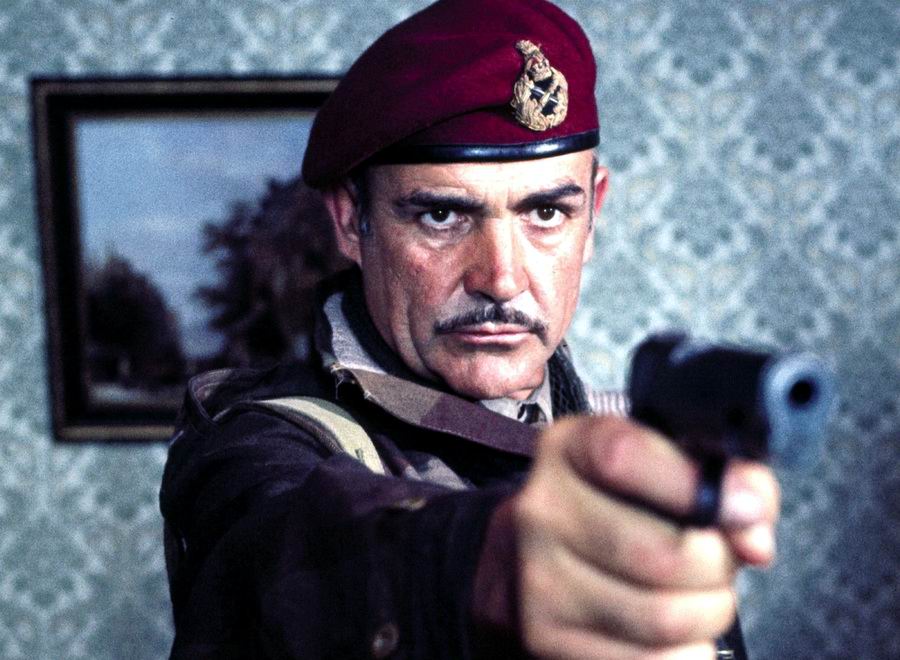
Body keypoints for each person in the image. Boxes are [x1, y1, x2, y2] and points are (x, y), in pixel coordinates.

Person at [160, 0, 779, 658]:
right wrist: (482, 568)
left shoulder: (625, 438)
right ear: (349, 222)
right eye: (441, 216)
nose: (502, 279)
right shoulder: (257, 441)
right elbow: (285, 548)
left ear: (593, 213)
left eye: (546, 212)